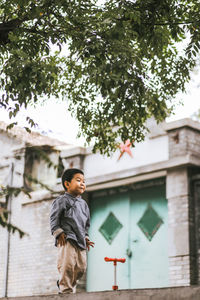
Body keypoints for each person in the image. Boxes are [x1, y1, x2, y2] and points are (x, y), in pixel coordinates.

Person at [50, 168, 94, 294]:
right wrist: (58, 232)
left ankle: (64, 283)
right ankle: (66, 290)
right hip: (67, 238)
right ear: (67, 184)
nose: (82, 183)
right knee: (67, 265)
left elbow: (86, 224)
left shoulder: (84, 204)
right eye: (78, 180)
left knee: (80, 267)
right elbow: (54, 217)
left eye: (84, 181)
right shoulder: (61, 200)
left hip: (80, 240)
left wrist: (86, 236)